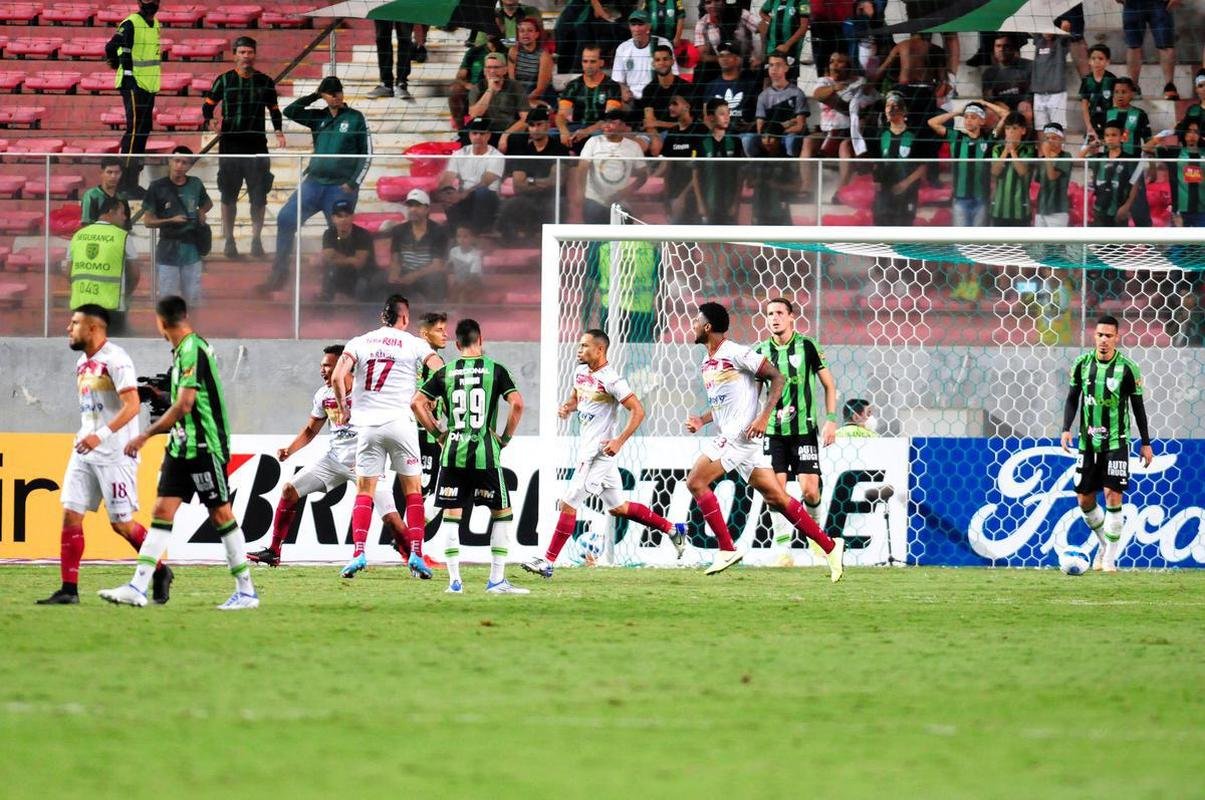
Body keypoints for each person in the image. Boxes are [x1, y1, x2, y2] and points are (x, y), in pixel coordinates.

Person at [101, 295, 259, 610]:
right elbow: (184, 399)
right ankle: (138, 586)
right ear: (183, 315)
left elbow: (186, 404)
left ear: (159, 322)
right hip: (180, 445)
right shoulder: (185, 352)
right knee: (161, 511)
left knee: (220, 514)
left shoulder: (193, 349)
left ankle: (246, 591)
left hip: (203, 445)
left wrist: (145, 433)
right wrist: (158, 394)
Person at [683, 302, 844, 580]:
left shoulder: (737, 353)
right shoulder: (708, 362)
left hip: (739, 438)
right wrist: (702, 419)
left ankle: (726, 548)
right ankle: (830, 547)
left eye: (696, 321)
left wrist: (762, 418)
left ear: (708, 327)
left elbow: (777, 377)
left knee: (696, 482)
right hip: (740, 438)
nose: (693, 325)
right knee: (778, 498)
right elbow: (728, 403)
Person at [522, 329, 686, 579]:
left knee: (569, 502)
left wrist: (619, 441)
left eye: (585, 346)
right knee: (618, 507)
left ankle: (547, 561)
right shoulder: (580, 372)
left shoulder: (612, 380)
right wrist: (568, 406)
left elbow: (638, 411)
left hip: (598, 453)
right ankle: (673, 529)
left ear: (600, 350)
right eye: (579, 345)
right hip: (588, 449)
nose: (579, 350)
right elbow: (578, 398)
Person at [36, 305, 170, 605]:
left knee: (121, 524)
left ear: (93, 328)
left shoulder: (116, 360)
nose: (68, 329)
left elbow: (132, 405)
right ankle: (69, 589)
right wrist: (89, 436)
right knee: (71, 514)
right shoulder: (84, 363)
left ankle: (160, 570)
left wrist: (102, 435)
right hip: (84, 449)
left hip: (114, 453)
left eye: (74, 323)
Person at [245, 345, 412, 569]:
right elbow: (311, 430)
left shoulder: (368, 393)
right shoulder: (323, 395)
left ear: (344, 368)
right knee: (289, 490)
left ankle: (412, 557)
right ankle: (274, 552)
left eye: (328, 366)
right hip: (333, 461)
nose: (323, 370)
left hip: (366, 464)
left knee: (391, 518)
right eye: (322, 366)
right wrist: (289, 450)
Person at [413, 318, 529, 594]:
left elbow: (416, 403)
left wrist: (439, 434)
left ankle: (455, 582)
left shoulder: (446, 371)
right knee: (502, 513)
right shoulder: (495, 370)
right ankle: (496, 580)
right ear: (481, 340)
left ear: (456, 344)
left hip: (452, 451)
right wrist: (505, 439)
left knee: (452, 513)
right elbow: (517, 404)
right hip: (484, 452)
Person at [330, 295, 442, 579]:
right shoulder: (415, 343)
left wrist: (344, 409)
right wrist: (431, 394)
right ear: (405, 318)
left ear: (383, 317)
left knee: (364, 491)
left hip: (367, 427)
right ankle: (416, 552)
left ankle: (358, 554)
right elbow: (440, 369)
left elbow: (337, 376)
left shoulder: (360, 342)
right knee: (413, 490)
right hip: (401, 424)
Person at [1060, 314, 1154, 571]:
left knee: (1113, 495)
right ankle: (1104, 546)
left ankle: (1110, 559)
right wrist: (1066, 429)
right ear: (1095, 335)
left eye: (1109, 336)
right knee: (1084, 500)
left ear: (1116, 337)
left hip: (1116, 441)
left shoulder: (1128, 368)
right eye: (1100, 335)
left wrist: (1146, 443)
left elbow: (1138, 407)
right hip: (1087, 444)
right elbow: (1072, 399)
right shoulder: (1081, 364)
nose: (1104, 340)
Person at [264, 76, 371, 294]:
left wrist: (353, 183)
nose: (335, 96)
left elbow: (366, 153)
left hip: (340, 186)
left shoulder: (356, 118)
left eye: (338, 92)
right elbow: (290, 111)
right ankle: (279, 273)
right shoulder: (318, 117)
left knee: (339, 234)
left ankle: (335, 285)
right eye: (330, 93)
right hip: (314, 183)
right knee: (286, 219)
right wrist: (314, 95)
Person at [753, 298, 839, 559]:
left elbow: (829, 385)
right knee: (775, 492)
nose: (774, 318)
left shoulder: (808, 345)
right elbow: (754, 392)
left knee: (810, 489)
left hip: (804, 430)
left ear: (791, 317)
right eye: (770, 314)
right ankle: (782, 549)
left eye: (779, 313)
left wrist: (831, 419)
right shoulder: (761, 351)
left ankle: (816, 538)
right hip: (774, 432)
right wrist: (754, 421)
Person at [202, 36, 286, 260]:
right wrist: (209, 121)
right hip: (230, 145)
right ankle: (229, 240)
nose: (246, 56)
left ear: (255, 54)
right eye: (242, 52)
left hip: (257, 144)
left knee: (259, 197)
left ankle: (256, 240)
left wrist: (278, 130)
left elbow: (274, 109)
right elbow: (208, 105)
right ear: (234, 55)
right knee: (228, 195)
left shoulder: (265, 81)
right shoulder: (224, 80)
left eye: (250, 52)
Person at [142, 146, 212, 307]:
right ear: (170, 161)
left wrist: (201, 211)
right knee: (168, 300)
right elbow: (148, 221)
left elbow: (207, 203)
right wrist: (170, 220)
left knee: (193, 299)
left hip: (191, 249)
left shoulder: (195, 183)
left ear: (189, 166)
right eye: (177, 161)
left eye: (185, 163)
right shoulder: (157, 187)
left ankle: (194, 328)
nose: (180, 166)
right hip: (168, 248)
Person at [105, 0, 160, 198]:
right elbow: (111, 46)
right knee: (135, 130)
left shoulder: (156, 24)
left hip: (149, 84)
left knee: (143, 131)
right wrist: (117, 63)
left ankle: (133, 181)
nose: (150, 3)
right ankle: (125, 182)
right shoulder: (131, 22)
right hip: (133, 83)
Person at [927, 100, 1008, 228]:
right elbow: (932, 122)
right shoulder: (956, 137)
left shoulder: (988, 139)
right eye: (966, 117)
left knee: (978, 242)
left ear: (982, 121)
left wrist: (984, 103)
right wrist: (956, 112)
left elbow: (1006, 115)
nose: (969, 120)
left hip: (981, 198)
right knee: (961, 241)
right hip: (960, 198)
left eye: (973, 117)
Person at [68, 196, 140, 336]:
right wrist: (126, 292)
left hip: (81, 304)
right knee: (112, 350)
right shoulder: (122, 236)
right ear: (111, 212)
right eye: (122, 212)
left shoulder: (78, 235)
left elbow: (69, 271)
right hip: (112, 307)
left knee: (87, 349)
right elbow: (135, 274)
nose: (125, 217)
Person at [498, 105, 569, 239]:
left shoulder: (559, 149)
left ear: (547, 126)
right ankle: (512, 243)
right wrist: (542, 183)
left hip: (553, 197)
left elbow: (556, 181)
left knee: (556, 205)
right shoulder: (523, 151)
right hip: (529, 197)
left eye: (539, 124)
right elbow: (518, 186)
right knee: (511, 204)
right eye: (531, 125)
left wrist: (530, 182)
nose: (535, 129)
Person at [577, 108, 648, 223]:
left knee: (623, 236)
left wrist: (626, 191)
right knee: (595, 236)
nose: (607, 126)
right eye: (606, 122)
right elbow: (582, 167)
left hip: (619, 200)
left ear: (623, 126)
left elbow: (643, 176)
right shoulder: (593, 142)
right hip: (594, 199)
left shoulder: (633, 147)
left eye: (612, 123)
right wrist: (581, 193)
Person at [437, 117, 505, 234]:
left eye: (482, 133)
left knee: (482, 192)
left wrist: (463, 195)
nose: (478, 136)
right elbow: (448, 178)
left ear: (488, 135)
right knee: (446, 192)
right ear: (469, 135)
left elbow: (486, 182)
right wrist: (447, 192)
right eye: (474, 133)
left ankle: (477, 232)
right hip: (464, 196)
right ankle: (456, 233)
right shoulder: (460, 153)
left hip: (488, 197)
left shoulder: (497, 156)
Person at [802, 51, 857, 197]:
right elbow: (818, 94)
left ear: (848, 66)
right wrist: (834, 88)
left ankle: (842, 190)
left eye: (839, 62)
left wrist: (834, 101)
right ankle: (806, 188)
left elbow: (853, 109)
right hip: (827, 131)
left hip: (847, 131)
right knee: (808, 141)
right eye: (832, 61)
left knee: (844, 146)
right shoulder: (824, 81)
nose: (834, 65)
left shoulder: (856, 82)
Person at [1104, 77, 1153, 227]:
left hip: (1133, 167)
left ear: (1132, 93)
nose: (1120, 95)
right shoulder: (1106, 113)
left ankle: (1149, 246)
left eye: (1124, 92)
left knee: (1139, 208)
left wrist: (1152, 165)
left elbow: (1149, 141)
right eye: (1116, 92)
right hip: (1111, 166)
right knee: (1112, 207)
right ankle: (1113, 247)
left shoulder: (1140, 114)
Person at [556, 45, 624, 151]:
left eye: (592, 61)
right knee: (550, 133)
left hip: (601, 129)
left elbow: (609, 119)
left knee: (601, 134)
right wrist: (563, 130)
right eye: (585, 61)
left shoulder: (612, 86)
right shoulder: (574, 85)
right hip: (577, 126)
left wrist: (587, 131)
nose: (588, 65)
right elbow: (561, 115)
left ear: (601, 63)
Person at [872, 92, 925, 227]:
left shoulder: (914, 135)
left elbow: (923, 166)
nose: (891, 109)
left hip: (907, 191)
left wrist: (905, 184)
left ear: (903, 111)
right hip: (884, 192)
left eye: (895, 106)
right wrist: (876, 180)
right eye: (888, 106)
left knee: (903, 226)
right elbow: (875, 162)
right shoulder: (880, 134)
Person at [389, 189, 449, 305]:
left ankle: (433, 313)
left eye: (417, 206)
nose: (413, 210)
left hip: (426, 274)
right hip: (405, 272)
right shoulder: (399, 230)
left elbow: (437, 265)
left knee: (436, 278)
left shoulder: (438, 231)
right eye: (410, 206)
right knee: (378, 280)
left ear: (427, 209)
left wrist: (413, 276)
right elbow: (395, 259)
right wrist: (394, 274)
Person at [1142, 123, 1205, 228]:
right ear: (1183, 133)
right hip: (1180, 210)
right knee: (1180, 243)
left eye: (1196, 132)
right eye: (1189, 131)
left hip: (1203, 209)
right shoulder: (1174, 152)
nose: (1192, 135)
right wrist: (1164, 134)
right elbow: (1146, 148)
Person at [654, 94, 704, 220]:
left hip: (694, 194)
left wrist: (683, 197)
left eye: (675, 104)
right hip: (674, 192)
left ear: (687, 106)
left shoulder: (700, 130)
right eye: (670, 104)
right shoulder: (672, 133)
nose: (671, 107)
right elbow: (666, 164)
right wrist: (652, 176)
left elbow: (700, 169)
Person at [695, 98, 745, 225]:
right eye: (722, 113)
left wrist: (736, 203)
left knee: (732, 241)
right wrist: (700, 204)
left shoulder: (735, 141)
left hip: (730, 203)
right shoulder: (701, 142)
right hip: (709, 202)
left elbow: (740, 174)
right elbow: (695, 174)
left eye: (728, 113)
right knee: (709, 242)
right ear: (711, 117)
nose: (727, 117)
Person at [748, 52, 808, 157]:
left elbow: (800, 126)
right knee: (748, 139)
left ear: (786, 68)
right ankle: (755, 167)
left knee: (791, 139)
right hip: (769, 135)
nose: (774, 69)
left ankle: (792, 168)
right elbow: (760, 127)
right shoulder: (763, 96)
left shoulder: (797, 93)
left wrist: (778, 133)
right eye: (771, 65)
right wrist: (785, 124)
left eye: (778, 65)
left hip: (787, 135)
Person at [317, 199, 378, 301]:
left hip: (362, 274)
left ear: (352, 217)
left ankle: (359, 312)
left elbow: (359, 263)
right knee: (331, 272)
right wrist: (350, 259)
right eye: (339, 216)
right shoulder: (329, 233)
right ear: (333, 218)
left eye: (346, 215)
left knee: (362, 284)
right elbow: (328, 257)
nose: (343, 219)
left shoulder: (363, 234)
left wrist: (336, 257)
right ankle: (326, 309)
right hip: (341, 273)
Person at [612, 11, 677, 105]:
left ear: (649, 26)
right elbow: (618, 79)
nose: (636, 29)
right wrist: (623, 89)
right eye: (633, 25)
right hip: (633, 100)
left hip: (658, 98)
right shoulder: (623, 48)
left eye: (640, 24)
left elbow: (674, 74)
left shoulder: (662, 44)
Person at [1119, 0, 1180, 100]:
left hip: (1160, 3)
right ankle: (1133, 87)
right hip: (1132, 3)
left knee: (1165, 44)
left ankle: (1170, 85)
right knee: (1133, 45)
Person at [693, 0, 761, 87]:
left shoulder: (740, 13)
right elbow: (703, 56)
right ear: (703, 6)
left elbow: (765, 28)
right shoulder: (702, 23)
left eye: (717, 1)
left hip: (745, 63)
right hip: (719, 64)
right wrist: (725, 59)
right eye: (708, 2)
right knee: (700, 71)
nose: (713, 5)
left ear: (724, 1)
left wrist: (761, 57)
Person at [702, 40, 762, 137]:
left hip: (745, 134)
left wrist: (750, 126)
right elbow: (706, 117)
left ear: (738, 59)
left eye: (728, 55)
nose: (724, 58)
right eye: (721, 56)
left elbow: (760, 112)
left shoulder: (750, 84)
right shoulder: (711, 85)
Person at [467, 52, 530, 137]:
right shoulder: (478, 88)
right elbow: (474, 115)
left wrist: (506, 134)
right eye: (489, 67)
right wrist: (490, 90)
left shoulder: (515, 87)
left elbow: (526, 118)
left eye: (496, 67)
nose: (492, 71)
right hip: (484, 132)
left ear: (505, 70)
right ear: (484, 71)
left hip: (509, 130)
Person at [450, 35, 505, 131]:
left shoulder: (507, 52)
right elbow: (459, 77)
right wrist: (468, 85)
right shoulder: (474, 51)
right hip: (475, 88)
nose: (490, 33)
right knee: (455, 89)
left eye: (493, 31)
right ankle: (460, 131)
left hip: (498, 87)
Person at [640, 44, 693, 144]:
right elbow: (650, 123)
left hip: (683, 133)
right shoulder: (648, 90)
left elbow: (687, 123)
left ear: (672, 61)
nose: (662, 63)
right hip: (660, 134)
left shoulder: (686, 87)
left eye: (665, 59)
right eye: (658, 60)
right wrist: (656, 140)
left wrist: (658, 123)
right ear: (653, 64)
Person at [989, 112, 1034, 227]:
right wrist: (1005, 151)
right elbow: (995, 171)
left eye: (1014, 128)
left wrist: (1012, 151)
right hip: (999, 209)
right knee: (1000, 245)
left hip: (1021, 210)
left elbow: (1022, 171)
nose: (1010, 132)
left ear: (1023, 131)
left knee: (1020, 245)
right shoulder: (997, 149)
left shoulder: (1028, 149)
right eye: (1007, 128)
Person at [751, 123, 799, 225]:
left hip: (781, 210)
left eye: (771, 137)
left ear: (780, 138)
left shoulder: (788, 160)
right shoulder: (756, 159)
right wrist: (756, 182)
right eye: (764, 137)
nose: (767, 141)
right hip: (760, 209)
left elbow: (797, 186)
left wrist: (777, 185)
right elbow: (748, 183)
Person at [982, 34, 1033, 125]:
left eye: (1006, 46)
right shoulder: (989, 73)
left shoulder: (1028, 66)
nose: (1001, 49)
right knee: (990, 113)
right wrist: (998, 104)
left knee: (1025, 108)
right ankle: (994, 138)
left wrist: (1024, 102)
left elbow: (1031, 94)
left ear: (1013, 48)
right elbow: (987, 99)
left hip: (1023, 104)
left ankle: (1027, 139)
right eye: (998, 46)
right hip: (1002, 107)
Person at [508, 17, 555, 106]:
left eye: (530, 30)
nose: (525, 34)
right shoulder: (513, 51)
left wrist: (522, 102)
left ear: (537, 34)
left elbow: (540, 88)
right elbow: (512, 81)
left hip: (539, 96)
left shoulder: (544, 56)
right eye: (522, 31)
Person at [758, 0, 810, 82]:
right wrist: (772, 21)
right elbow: (762, 12)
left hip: (791, 50)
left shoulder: (803, 2)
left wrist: (787, 45)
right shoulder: (772, 1)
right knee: (768, 79)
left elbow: (804, 26)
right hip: (772, 49)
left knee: (789, 81)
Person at [1034, 123, 1072, 228]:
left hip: (1058, 210)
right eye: (1047, 138)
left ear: (1061, 139)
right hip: (1041, 209)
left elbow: (1052, 176)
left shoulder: (1066, 157)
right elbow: (1038, 181)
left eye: (1053, 138)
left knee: (1055, 244)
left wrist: (1047, 156)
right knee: (1039, 244)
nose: (1050, 141)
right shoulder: (1043, 159)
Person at [367, 18, 416, 100]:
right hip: (382, 5)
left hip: (405, 5)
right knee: (382, 37)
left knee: (405, 37)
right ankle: (386, 84)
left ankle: (401, 83)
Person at [1030, 32, 1070, 130]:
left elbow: (1066, 27)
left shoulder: (1060, 41)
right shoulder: (1039, 41)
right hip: (1039, 93)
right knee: (1040, 129)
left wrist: (1057, 29)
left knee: (1057, 129)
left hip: (1057, 93)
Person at [80, 157, 131, 229]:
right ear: (102, 173)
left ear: (121, 174)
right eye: (109, 172)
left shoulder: (122, 197)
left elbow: (127, 225)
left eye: (117, 172)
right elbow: (86, 225)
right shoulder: (92, 195)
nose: (113, 176)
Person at [1079, 44, 1117, 139]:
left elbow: (1115, 103)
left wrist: (1112, 124)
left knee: (1109, 147)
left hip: (1108, 120)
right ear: (1089, 61)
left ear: (1107, 61)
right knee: (1092, 147)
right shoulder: (1086, 80)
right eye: (1093, 58)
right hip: (1092, 120)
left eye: (1100, 58)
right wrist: (1089, 126)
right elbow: (1084, 105)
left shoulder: (1112, 79)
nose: (1096, 62)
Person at [447, 225, 484, 301]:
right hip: (458, 282)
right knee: (450, 290)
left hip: (473, 283)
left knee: (462, 294)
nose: (462, 240)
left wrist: (459, 286)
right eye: (459, 237)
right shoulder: (453, 251)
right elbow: (450, 267)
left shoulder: (475, 254)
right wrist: (451, 278)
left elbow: (473, 276)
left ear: (472, 239)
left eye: (465, 237)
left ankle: (461, 310)